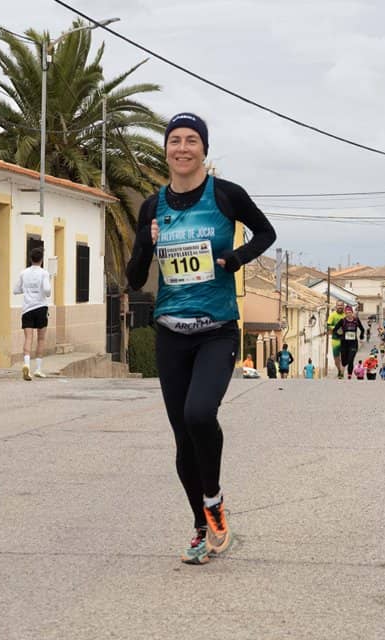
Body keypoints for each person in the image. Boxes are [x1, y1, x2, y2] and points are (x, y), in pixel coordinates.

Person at [125, 112, 276, 565]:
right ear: (166, 150)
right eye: (175, 140)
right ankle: (201, 524)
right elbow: (134, 278)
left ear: (204, 150)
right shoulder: (152, 206)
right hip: (171, 333)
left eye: (192, 140)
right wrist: (147, 242)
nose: (183, 148)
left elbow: (266, 232)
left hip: (216, 330)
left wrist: (237, 257)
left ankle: (214, 498)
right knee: (182, 440)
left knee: (199, 414)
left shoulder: (226, 195)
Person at [14, 246, 52, 381]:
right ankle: (38, 369)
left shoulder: (23, 273)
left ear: (30, 259)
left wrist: (27, 290)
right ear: (41, 260)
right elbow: (47, 291)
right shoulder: (44, 273)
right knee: (41, 339)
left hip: (27, 309)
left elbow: (16, 290)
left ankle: (26, 365)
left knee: (28, 338)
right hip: (41, 308)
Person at [331, 304, 366, 379]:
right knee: (344, 361)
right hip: (344, 344)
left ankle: (349, 375)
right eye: (346, 313)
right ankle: (342, 371)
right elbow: (335, 330)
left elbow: (362, 329)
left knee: (350, 360)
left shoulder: (356, 320)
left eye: (349, 312)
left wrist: (361, 336)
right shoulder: (342, 321)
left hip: (353, 344)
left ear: (352, 312)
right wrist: (339, 335)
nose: (348, 314)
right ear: (345, 313)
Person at [327, 300, 346, 379]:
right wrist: (335, 328)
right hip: (335, 339)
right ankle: (339, 369)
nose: (340, 307)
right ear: (336, 306)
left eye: (341, 305)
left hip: (345, 340)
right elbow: (328, 325)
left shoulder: (346, 315)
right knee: (336, 359)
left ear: (343, 306)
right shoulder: (332, 315)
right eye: (338, 305)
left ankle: (342, 372)